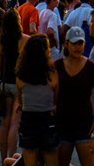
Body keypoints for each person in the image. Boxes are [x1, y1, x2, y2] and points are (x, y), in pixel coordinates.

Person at [55, 26, 94, 166]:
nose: (77, 47)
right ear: (66, 44)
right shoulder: (56, 66)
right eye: (74, 43)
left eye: (80, 43)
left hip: (84, 125)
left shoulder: (91, 67)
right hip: (61, 125)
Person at [16, 34, 60, 166]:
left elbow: (21, 102)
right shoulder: (52, 74)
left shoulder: (21, 75)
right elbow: (56, 100)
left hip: (28, 120)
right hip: (47, 119)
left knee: (30, 160)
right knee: (51, 159)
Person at [0, 9, 30, 160]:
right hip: (20, 85)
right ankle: (12, 158)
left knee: (6, 122)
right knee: (15, 124)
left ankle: (3, 158)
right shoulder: (25, 40)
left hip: (5, 84)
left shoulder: (0, 42)